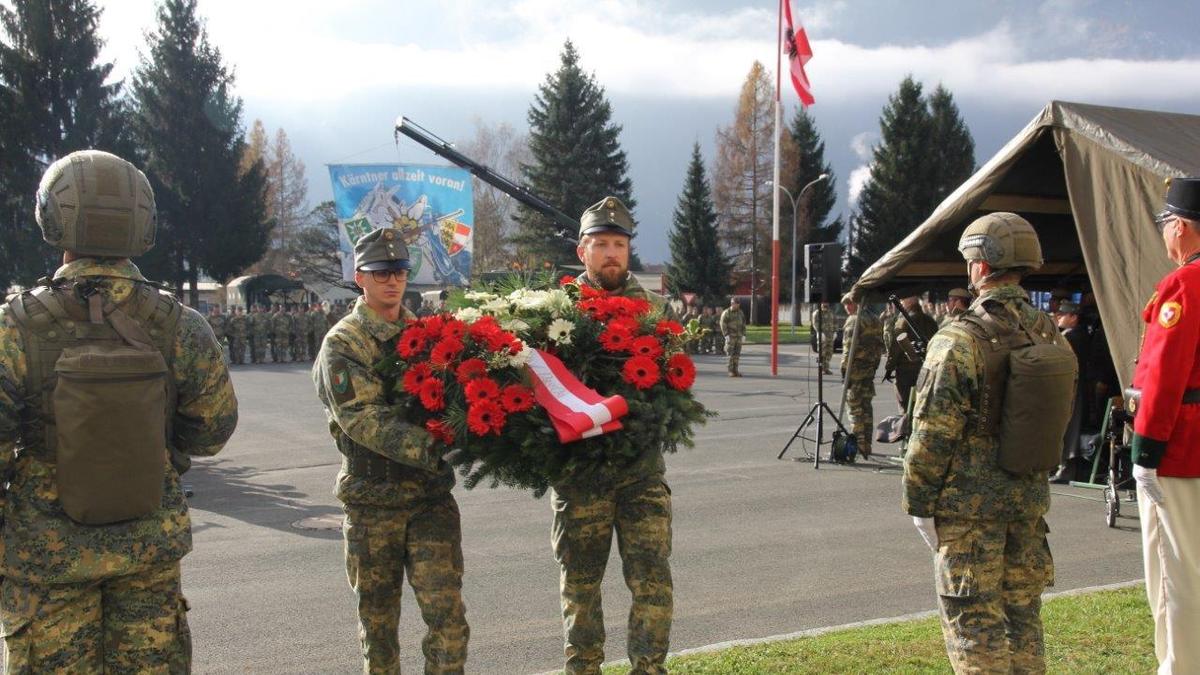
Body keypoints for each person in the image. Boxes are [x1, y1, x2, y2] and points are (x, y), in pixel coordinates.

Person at [0, 150, 237, 671]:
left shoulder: (14, 328)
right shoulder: (180, 325)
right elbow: (211, 430)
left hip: (46, 557)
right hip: (147, 548)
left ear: (52, 218)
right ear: (143, 222)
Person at [904, 212, 1060, 673]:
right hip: (1028, 507)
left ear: (981, 265)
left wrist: (918, 503)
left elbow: (931, 433)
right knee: (1023, 624)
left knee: (975, 630)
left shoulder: (959, 338)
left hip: (969, 517)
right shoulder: (1048, 330)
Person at [313, 227, 468, 673]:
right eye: (381, 272)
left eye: (400, 271)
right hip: (372, 504)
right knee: (379, 634)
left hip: (429, 502)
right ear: (360, 276)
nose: (393, 281)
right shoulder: (344, 343)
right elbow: (361, 418)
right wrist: (437, 446)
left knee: (449, 622)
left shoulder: (426, 334)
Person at [552, 197, 674, 674]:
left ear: (628, 251)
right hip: (580, 478)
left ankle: (649, 669)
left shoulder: (657, 310)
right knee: (580, 588)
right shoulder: (556, 310)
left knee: (652, 583)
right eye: (600, 243)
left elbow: (673, 388)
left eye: (618, 244)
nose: (610, 253)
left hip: (641, 476)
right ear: (582, 250)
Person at [1129, 177, 1200, 674]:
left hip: (1182, 449)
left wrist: (1145, 452)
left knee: (1177, 572)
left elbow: (1163, 376)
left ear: (1180, 226)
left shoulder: (1183, 285)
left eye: (1164, 225)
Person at [840, 294, 884, 459]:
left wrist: (844, 371)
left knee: (854, 408)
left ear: (856, 304)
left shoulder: (854, 320)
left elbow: (848, 349)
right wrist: (874, 367)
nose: (847, 307)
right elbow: (880, 347)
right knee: (866, 408)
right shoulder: (875, 319)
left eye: (849, 304)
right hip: (869, 370)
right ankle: (867, 445)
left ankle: (859, 445)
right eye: (845, 304)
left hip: (856, 371)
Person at [1052, 301, 1090, 484]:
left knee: (1069, 429)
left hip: (1072, 389)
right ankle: (1063, 467)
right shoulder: (1072, 335)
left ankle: (1066, 469)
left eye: (1063, 314)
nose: (1059, 316)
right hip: (1071, 387)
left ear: (1074, 317)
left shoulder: (1074, 337)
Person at [885, 295, 939, 412]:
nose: (901, 301)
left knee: (905, 408)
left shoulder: (903, 322)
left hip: (906, 371)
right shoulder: (930, 321)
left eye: (903, 299)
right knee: (923, 406)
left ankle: (907, 428)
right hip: (926, 369)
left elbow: (896, 347)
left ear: (910, 301)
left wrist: (889, 368)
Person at [720, 298, 746, 377]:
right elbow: (722, 324)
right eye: (735, 303)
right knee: (730, 354)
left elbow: (743, 324)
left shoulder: (740, 313)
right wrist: (726, 335)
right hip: (730, 336)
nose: (737, 305)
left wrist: (744, 335)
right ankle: (730, 371)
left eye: (738, 303)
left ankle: (736, 370)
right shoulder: (727, 313)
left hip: (738, 336)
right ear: (732, 304)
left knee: (737, 355)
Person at [810, 302, 836, 375]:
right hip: (822, 335)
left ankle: (826, 368)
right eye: (824, 302)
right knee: (822, 353)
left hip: (830, 336)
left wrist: (835, 331)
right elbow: (815, 323)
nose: (826, 304)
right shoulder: (817, 313)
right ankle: (821, 368)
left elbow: (835, 322)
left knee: (829, 353)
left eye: (827, 302)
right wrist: (819, 332)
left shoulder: (831, 312)